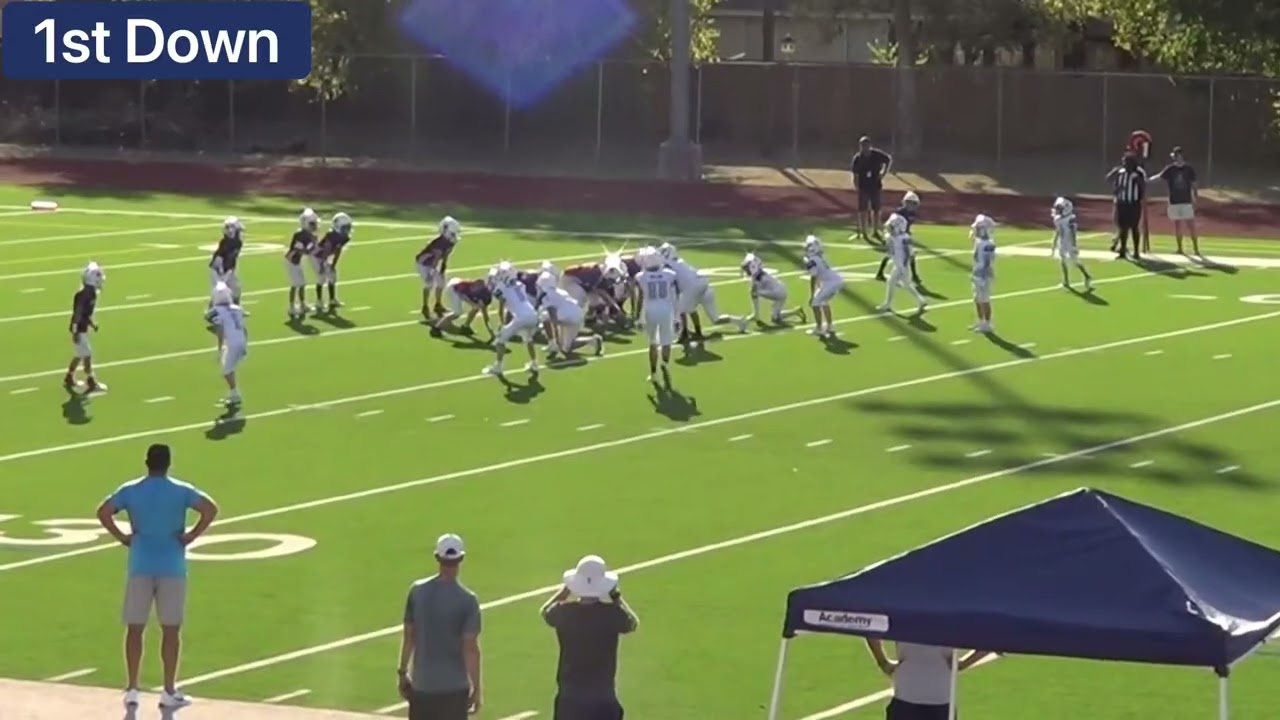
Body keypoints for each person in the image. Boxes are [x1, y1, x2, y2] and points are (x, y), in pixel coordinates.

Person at [95, 443, 218, 711]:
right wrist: (191, 536)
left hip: (140, 563)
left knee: (135, 628)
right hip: (172, 566)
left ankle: (132, 689)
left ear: (146, 462)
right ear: (168, 463)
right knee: (171, 630)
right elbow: (210, 509)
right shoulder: (181, 490)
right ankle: (168, 690)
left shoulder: (131, 490)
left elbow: (103, 511)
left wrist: (122, 537)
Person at [539, 555, 639, 720]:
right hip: (603, 696)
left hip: (569, 697)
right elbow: (633, 622)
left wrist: (564, 592)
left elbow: (545, 611)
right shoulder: (611, 614)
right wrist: (616, 598)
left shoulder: (565, 612)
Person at [398, 534, 483, 720]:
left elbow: (409, 638)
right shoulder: (468, 601)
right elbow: (470, 649)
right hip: (454, 689)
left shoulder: (417, 591)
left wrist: (402, 672)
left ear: (437, 557)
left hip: (422, 686)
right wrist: (477, 687)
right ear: (461, 559)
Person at [866, 638, 991, 720]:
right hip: (940, 700)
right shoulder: (952, 610)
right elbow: (993, 637)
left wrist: (882, 662)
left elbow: (871, 626)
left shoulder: (903, 605)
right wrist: (963, 663)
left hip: (906, 695)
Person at [633, 246, 680, 383]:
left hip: (650, 310)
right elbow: (675, 296)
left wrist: (637, 317)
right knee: (666, 341)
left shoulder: (641, 277)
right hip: (666, 309)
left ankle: (653, 373)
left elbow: (640, 298)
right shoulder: (670, 274)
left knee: (653, 342)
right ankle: (664, 364)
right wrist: (677, 317)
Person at [65, 261, 107, 393]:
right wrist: (76, 331)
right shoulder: (86, 295)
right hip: (79, 329)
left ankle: (69, 377)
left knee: (79, 355)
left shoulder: (89, 293)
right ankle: (91, 381)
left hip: (80, 328)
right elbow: (78, 313)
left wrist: (92, 323)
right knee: (87, 355)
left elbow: (84, 314)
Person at [1149, 146, 1200, 255]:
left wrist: (1195, 198)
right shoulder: (1170, 169)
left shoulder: (1189, 169)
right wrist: (1148, 180)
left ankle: (1196, 249)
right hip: (1174, 201)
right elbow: (1160, 176)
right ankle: (1180, 249)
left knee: (1190, 225)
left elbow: (1194, 184)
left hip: (1186, 200)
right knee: (1177, 225)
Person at [876, 215, 927, 316]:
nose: (889, 229)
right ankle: (921, 300)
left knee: (893, 282)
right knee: (905, 284)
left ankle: (888, 304)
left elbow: (908, 252)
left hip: (902, 265)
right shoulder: (891, 237)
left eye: (892, 227)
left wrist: (903, 266)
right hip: (899, 264)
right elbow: (890, 250)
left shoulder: (904, 238)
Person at [209, 281, 248, 407]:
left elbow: (220, 331)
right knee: (228, 368)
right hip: (240, 340)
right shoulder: (237, 309)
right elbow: (244, 328)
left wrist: (219, 348)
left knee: (226, 371)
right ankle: (233, 393)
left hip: (232, 343)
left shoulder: (217, 311)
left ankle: (235, 394)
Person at [874, 191, 923, 287]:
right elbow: (889, 225)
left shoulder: (911, 214)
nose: (913, 206)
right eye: (912, 203)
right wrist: (892, 235)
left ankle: (914, 275)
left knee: (911, 254)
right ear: (907, 202)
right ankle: (880, 273)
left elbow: (906, 226)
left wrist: (907, 234)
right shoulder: (899, 213)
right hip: (894, 237)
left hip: (903, 236)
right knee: (890, 255)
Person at [850, 136, 893, 241]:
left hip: (875, 185)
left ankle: (875, 230)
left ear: (870, 146)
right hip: (863, 186)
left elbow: (888, 159)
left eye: (866, 146)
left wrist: (884, 172)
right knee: (862, 210)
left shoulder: (876, 155)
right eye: (862, 146)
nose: (864, 148)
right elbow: (855, 175)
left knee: (876, 209)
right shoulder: (857, 158)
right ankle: (863, 231)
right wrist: (856, 186)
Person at [1106, 152, 1146, 260]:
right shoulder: (1120, 172)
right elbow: (1108, 179)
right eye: (1123, 162)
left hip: (1134, 203)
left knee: (1134, 227)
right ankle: (1122, 251)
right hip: (1122, 202)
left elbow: (1143, 186)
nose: (1124, 164)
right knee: (1123, 228)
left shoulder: (1138, 172)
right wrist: (1115, 174)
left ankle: (1136, 252)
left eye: (1126, 162)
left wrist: (1136, 179)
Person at [1049, 197, 1093, 292]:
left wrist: (1074, 244)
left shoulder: (1071, 219)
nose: (1057, 210)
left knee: (1075, 262)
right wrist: (1054, 243)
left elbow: (1073, 232)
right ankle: (1066, 281)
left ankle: (1087, 276)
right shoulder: (1057, 219)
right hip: (1062, 241)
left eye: (1059, 208)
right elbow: (1058, 231)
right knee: (1062, 260)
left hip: (1070, 242)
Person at [970, 214, 998, 333]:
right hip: (977, 272)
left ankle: (987, 323)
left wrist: (983, 275)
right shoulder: (980, 242)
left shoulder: (987, 243)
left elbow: (987, 261)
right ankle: (980, 321)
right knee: (977, 298)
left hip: (984, 274)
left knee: (984, 299)